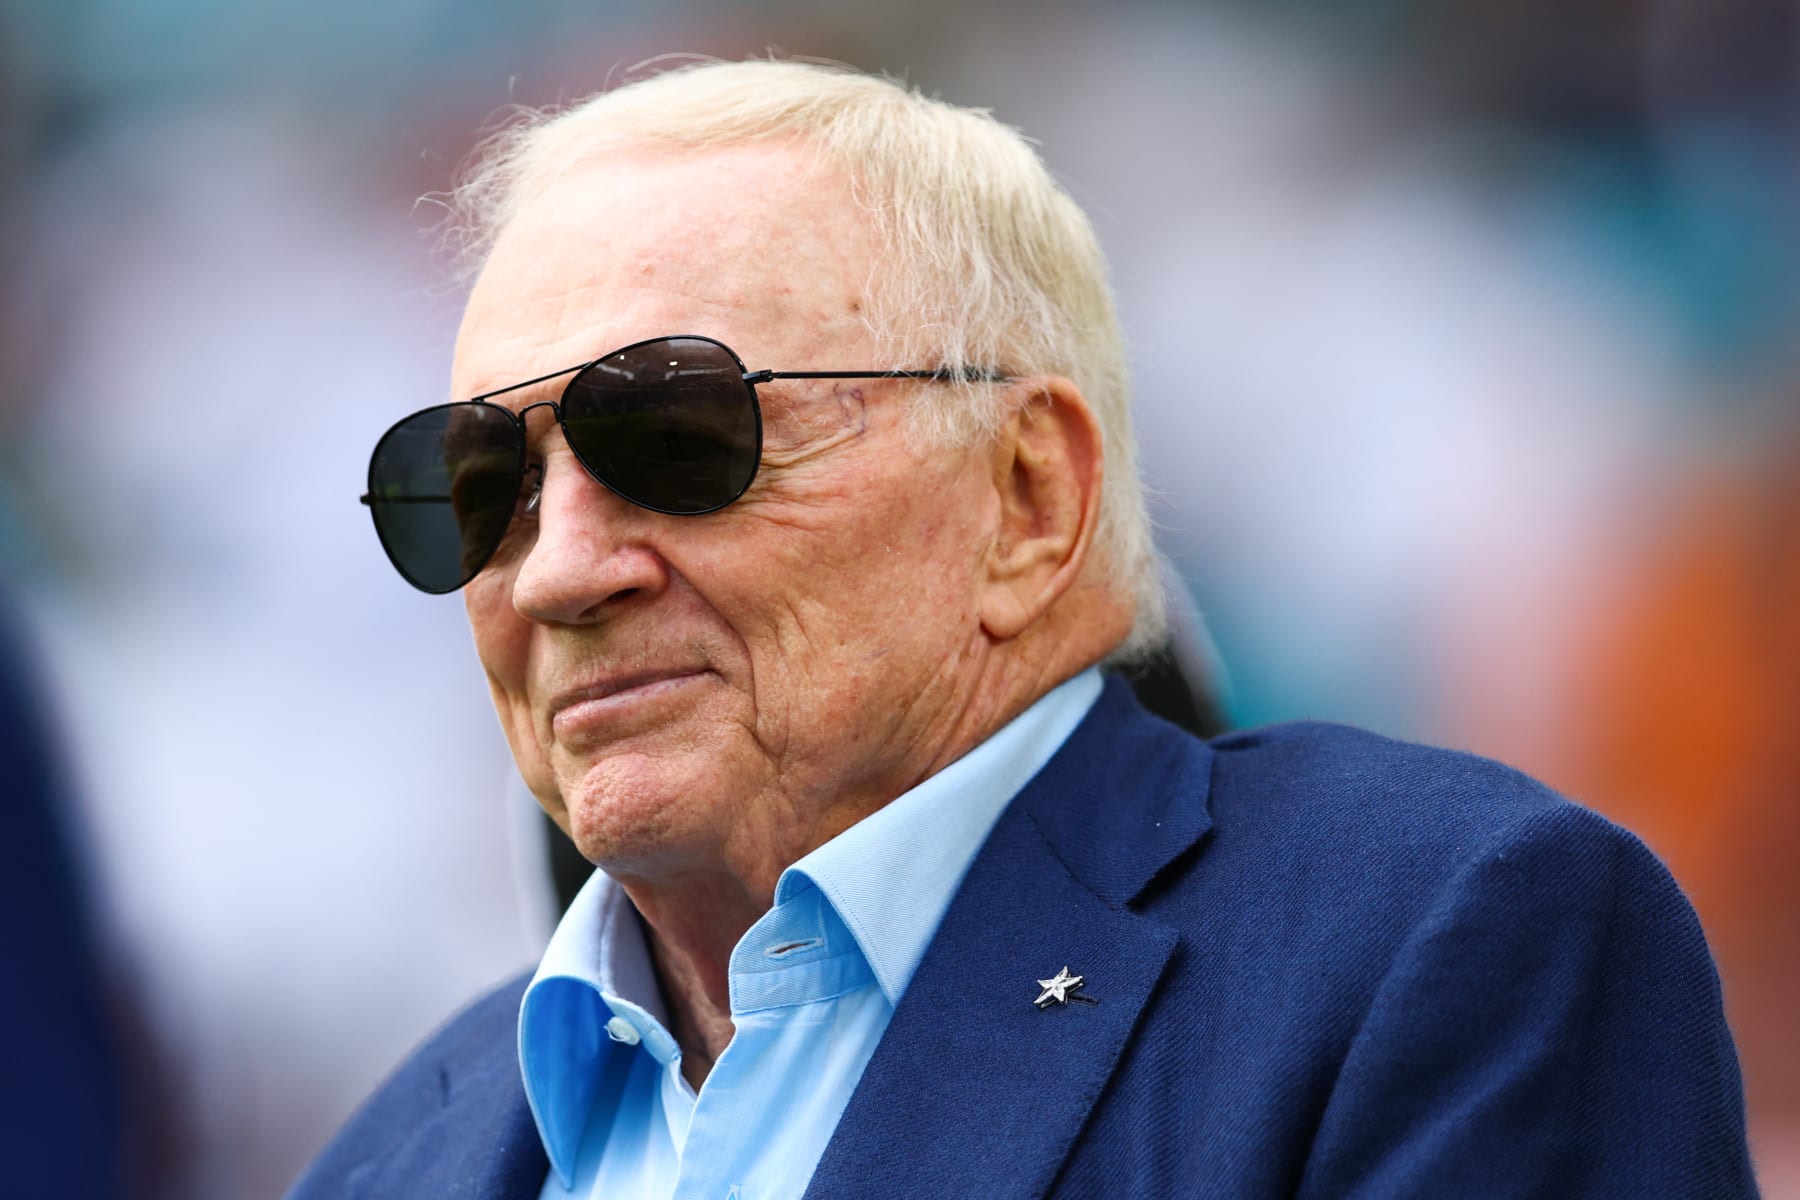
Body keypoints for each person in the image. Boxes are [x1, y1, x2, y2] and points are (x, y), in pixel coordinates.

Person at [290, 59, 1756, 1198]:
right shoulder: (386, 1158)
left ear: (1027, 495)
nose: (556, 571)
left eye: (674, 433)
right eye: (476, 486)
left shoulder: (1440, 946)